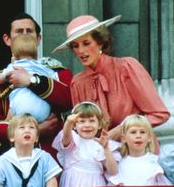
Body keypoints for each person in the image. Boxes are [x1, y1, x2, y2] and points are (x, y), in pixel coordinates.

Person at [52, 14, 170, 148]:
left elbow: (159, 114)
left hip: (137, 152)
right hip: (101, 158)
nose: (81, 51)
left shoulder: (126, 67)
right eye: (75, 46)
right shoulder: (78, 83)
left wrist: (121, 129)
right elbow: (81, 126)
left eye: (86, 43)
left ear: (100, 42)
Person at [0, 12, 73, 156]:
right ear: (7, 39)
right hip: (14, 161)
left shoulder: (57, 73)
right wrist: (35, 130)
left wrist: (31, 80)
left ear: (38, 38)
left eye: (29, 31)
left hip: (53, 157)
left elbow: (70, 99)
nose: (25, 34)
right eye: (19, 31)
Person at [52, 102, 121, 187]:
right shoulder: (73, 140)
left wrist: (106, 149)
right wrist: (68, 122)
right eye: (82, 121)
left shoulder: (102, 144)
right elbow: (66, 135)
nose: (87, 125)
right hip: (72, 183)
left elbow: (113, 171)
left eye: (92, 121)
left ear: (99, 124)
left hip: (95, 184)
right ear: (74, 125)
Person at [0, 113, 62, 187]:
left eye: (31, 127)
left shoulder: (45, 158)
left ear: (36, 138)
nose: (27, 130)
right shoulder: (3, 161)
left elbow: (52, 183)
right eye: (22, 127)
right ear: (12, 137)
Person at [0, 34, 58, 123]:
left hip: (21, 108)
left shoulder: (15, 66)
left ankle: (6, 121)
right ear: (36, 54)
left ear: (14, 55)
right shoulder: (43, 67)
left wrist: (4, 76)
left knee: (13, 103)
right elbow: (55, 78)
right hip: (43, 112)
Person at [107, 114, 171, 186]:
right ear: (124, 138)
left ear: (149, 138)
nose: (138, 136)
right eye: (133, 132)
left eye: (142, 132)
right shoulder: (118, 163)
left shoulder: (155, 161)